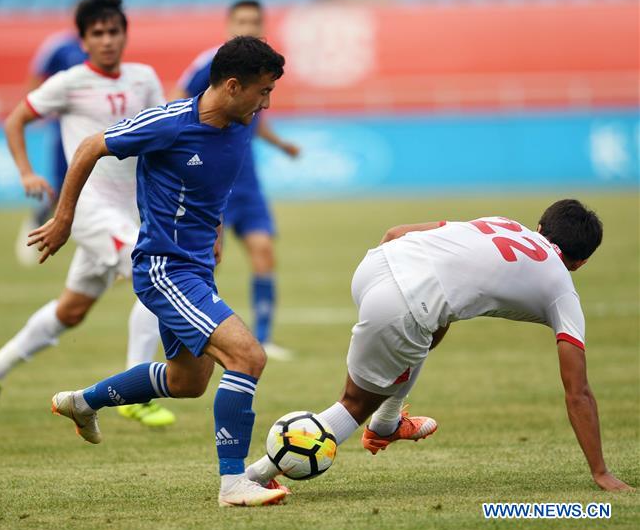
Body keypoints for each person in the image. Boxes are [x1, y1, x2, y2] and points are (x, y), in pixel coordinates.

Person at [32, 36, 290, 507]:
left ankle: (83, 401)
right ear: (232, 86)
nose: (267, 103)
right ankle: (233, 483)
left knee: (186, 382)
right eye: (262, 92)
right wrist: (64, 217)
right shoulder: (170, 123)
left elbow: (209, 187)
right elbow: (91, 146)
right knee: (247, 357)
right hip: (164, 269)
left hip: (197, 270)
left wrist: (213, 230)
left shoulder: (237, 126)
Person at [244, 200, 633, 493]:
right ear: (580, 263)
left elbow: (396, 232)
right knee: (355, 402)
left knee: (440, 317)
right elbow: (577, 391)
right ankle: (257, 475)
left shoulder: (502, 223)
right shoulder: (562, 291)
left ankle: (387, 422)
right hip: (405, 303)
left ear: (539, 227)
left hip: (376, 266)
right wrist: (600, 471)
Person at [0, 0, 176, 431]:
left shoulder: (144, 79)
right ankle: (135, 392)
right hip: (87, 209)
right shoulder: (68, 82)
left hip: (132, 211)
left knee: (72, 310)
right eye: (97, 33)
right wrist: (26, 173)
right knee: (159, 277)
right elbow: (15, 120)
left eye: (113, 31)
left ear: (125, 35)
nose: (106, 40)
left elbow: (160, 136)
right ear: (83, 40)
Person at [173, 0, 300, 361]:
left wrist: (280, 144)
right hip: (211, 180)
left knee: (263, 252)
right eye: (241, 20)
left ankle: (263, 338)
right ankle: (194, 335)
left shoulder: (260, 71)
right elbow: (177, 104)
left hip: (246, 181)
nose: (248, 26)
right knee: (206, 261)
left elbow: (257, 117)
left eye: (254, 21)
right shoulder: (211, 65)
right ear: (228, 23)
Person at [14, 30, 87, 267]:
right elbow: (37, 75)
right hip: (64, 128)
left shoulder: (96, 50)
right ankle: (34, 226)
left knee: (94, 184)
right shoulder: (60, 46)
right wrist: (39, 108)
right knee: (61, 186)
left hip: (92, 129)